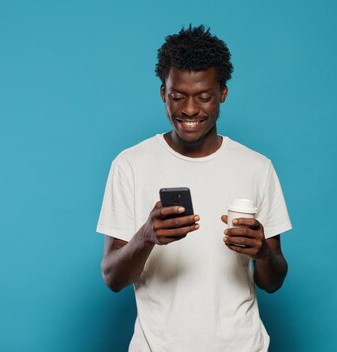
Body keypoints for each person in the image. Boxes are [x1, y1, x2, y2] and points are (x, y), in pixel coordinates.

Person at [97, 24, 292, 352]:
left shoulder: (257, 167)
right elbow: (112, 278)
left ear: (223, 94)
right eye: (177, 97)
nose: (189, 110)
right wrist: (146, 236)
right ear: (163, 93)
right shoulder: (129, 165)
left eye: (204, 97)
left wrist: (262, 253)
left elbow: (273, 281)